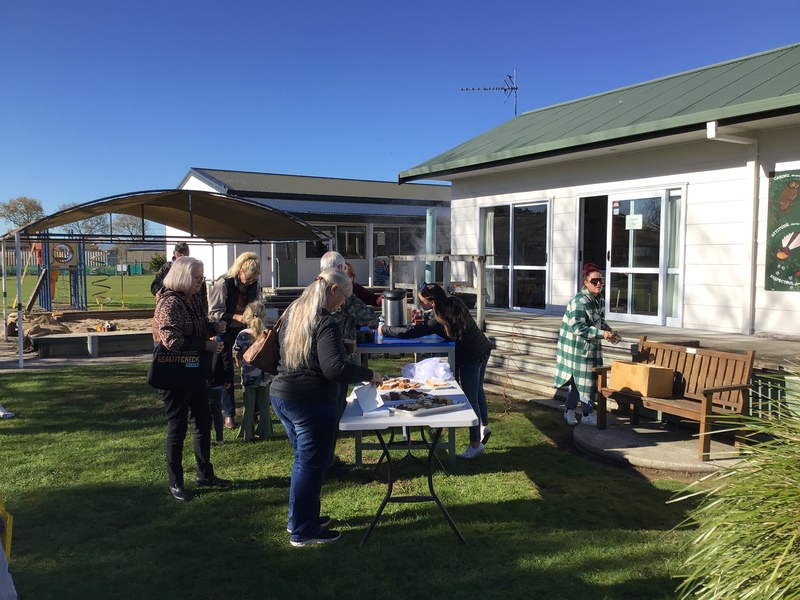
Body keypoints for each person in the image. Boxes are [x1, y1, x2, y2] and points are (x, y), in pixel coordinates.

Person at [270, 268, 383, 547]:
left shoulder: (295, 311)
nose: (344, 303)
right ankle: (303, 531)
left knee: (303, 463)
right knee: (311, 465)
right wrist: (368, 375)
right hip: (309, 401)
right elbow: (333, 368)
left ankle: (299, 519)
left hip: (283, 395)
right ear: (333, 290)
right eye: (344, 296)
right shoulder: (326, 322)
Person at [380, 282, 493, 459]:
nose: (420, 305)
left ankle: (475, 444)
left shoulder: (436, 320)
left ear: (432, 302)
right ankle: (482, 427)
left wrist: (385, 329)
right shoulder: (455, 302)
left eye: (423, 302)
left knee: (471, 398)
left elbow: (408, 333)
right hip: (483, 348)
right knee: (478, 392)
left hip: (470, 357)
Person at [152, 256, 229, 501]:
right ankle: (176, 483)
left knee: (204, 422)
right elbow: (171, 340)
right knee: (178, 428)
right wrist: (205, 345)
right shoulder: (170, 302)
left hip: (194, 371)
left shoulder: (192, 299)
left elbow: (197, 324)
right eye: (197, 278)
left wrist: (213, 327)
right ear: (183, 277)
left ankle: (204, 473)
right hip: (174, 372)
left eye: (202, 277)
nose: (200, 282)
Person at [553, 263, 619, 427]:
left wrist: (609, 331)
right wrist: (602, 334)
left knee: (579, 381)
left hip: (590, 348)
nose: (599, 284)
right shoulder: (579, 302)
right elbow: (578, 328)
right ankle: (587, 414)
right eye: (595, 281)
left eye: (601, 281)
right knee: (585, 381)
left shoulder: (599, 300)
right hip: (576, 348)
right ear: (586, 282)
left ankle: (568, 410)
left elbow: (599, 321)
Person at [209, 252, 261, 430]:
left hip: (246, 327)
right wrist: (235, 316)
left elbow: (257, 304)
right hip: (225, 328)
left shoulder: (255, 285)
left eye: (254, 279)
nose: (250, 281)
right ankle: (229, 413)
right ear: (240, 271)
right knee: (226, 369)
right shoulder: (224, 283)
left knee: (253, 364)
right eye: (248, 278)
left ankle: (255, 409)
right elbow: (214, 311)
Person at [233, 300, 273, 441]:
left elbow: (237, 354)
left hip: (249, 374)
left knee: (248, 407)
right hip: (265, 374)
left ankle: (248, 433)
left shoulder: (242, 335)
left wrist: (239, 363)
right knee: (264, 405)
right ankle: (265, 431)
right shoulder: (268, 333)